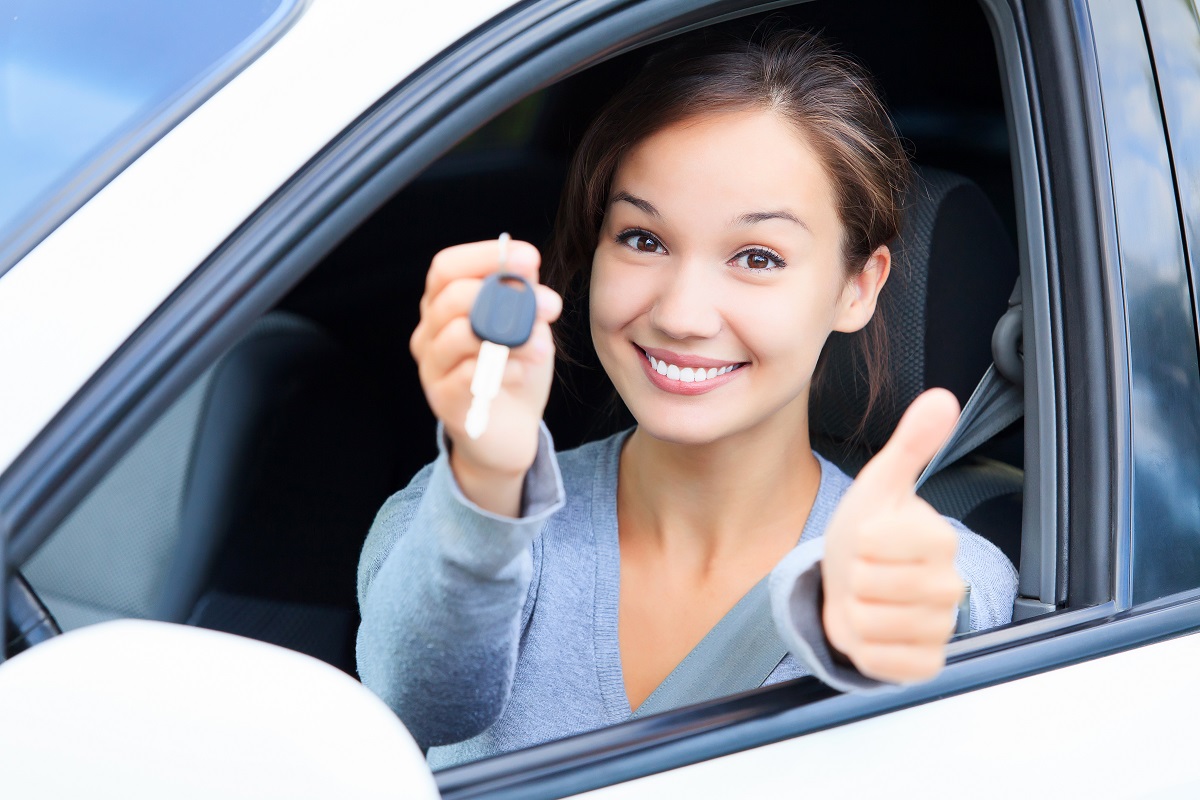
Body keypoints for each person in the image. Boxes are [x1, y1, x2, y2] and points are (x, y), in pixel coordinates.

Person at [356, 29, 1018, 767]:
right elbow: (414, 702)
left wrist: (876, 619)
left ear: (858, 286)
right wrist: (484, 483)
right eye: (643, 239)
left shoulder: (938, 568)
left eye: (757, 257)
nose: (681, 314)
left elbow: (942, 607)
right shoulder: (447, 515)